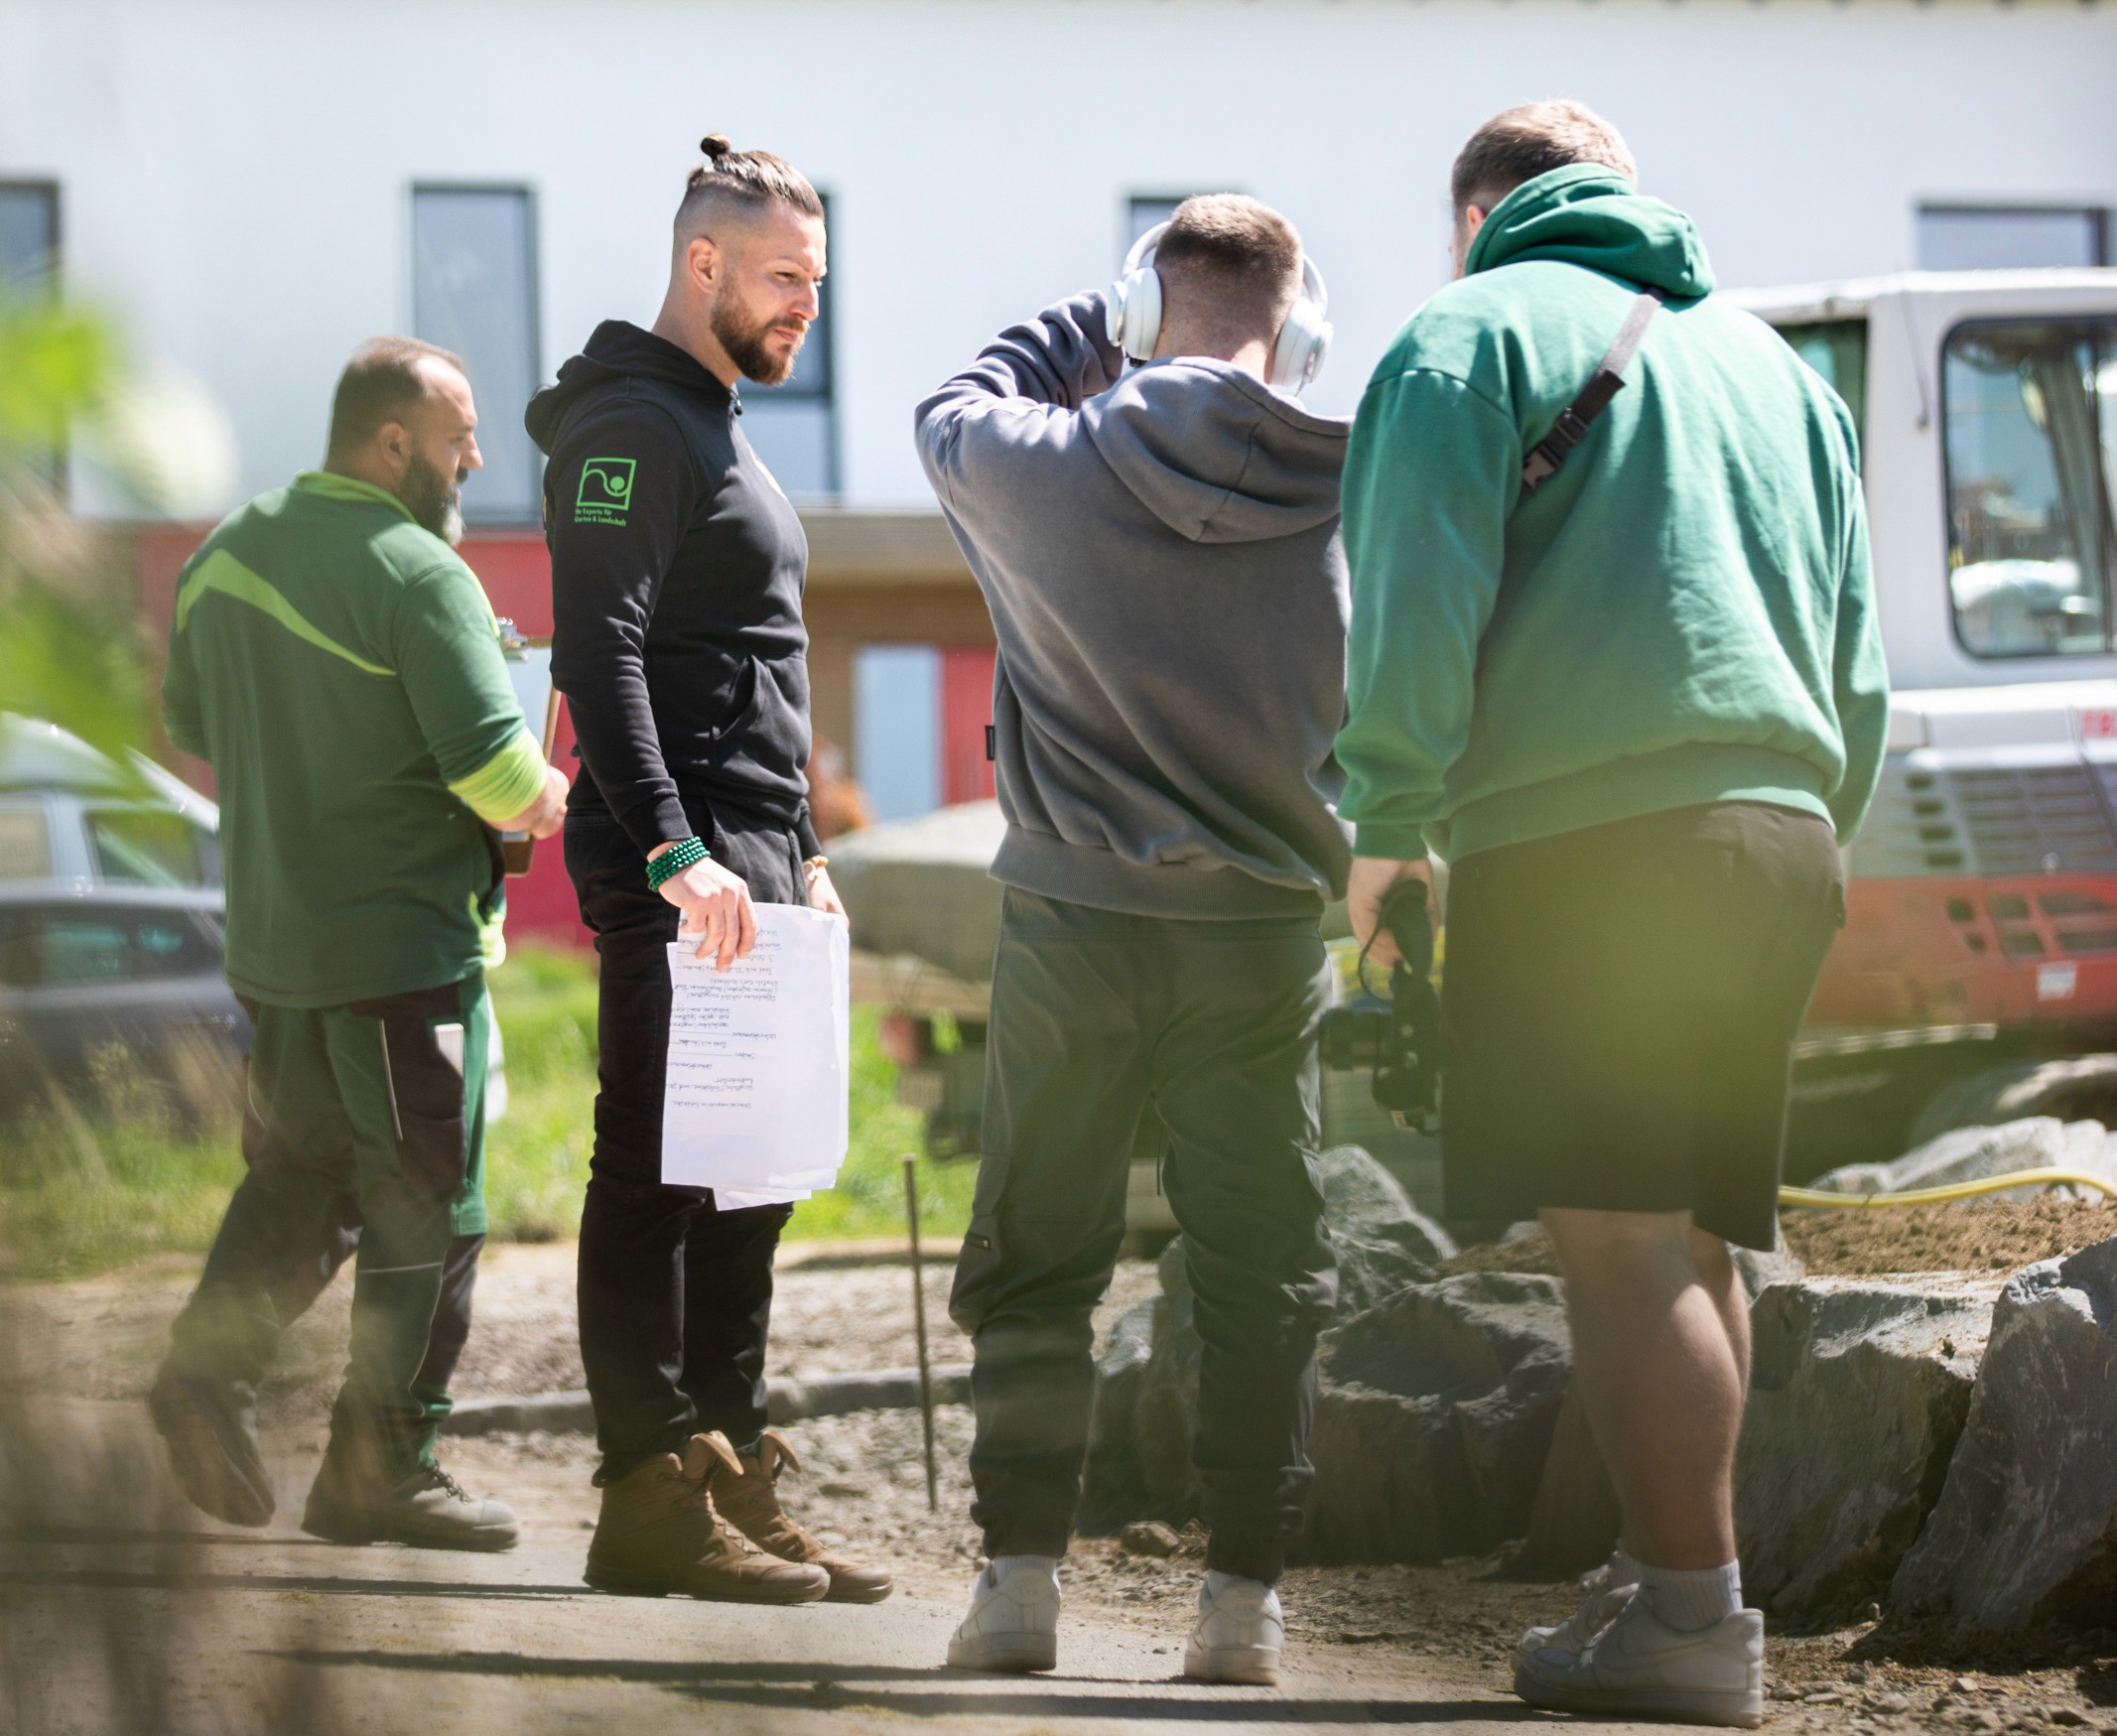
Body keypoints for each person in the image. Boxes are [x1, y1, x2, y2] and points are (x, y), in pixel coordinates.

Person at [1337, 101, 1887, 1728]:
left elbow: (1413, 595)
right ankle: (1669, 1586)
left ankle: (1693, 1626)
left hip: (1592, 845)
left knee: (1616, 1239)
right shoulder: (1777, 372)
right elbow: (1852, 654)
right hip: (1781, 839)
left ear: (1474, 219)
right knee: (1695, 1233)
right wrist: (1802, 825)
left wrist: (1390, 825)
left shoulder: (1466, 335)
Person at [915, 194, 1354, 1686]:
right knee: (1260, 1266)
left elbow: (952, 401)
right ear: (1301, 333)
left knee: (1040, 1251)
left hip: (1072, 921)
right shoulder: (1363, 489)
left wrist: (1090, 334)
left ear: (1139, 317)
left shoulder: (1036, 466)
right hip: (1263, 935)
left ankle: (1018, 1588)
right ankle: (1241, 1609)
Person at [524, 134, 889, 1607]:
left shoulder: (720, 426)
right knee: (657, 1172)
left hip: (760, 864)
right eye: (785, 276)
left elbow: (754, 670)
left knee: (752, 1176)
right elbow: (596, 652)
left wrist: (803, 850)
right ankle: (645, 1495)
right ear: (702, 262)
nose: (807, 303)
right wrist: (676, 849)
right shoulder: (629, 425)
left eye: (819, 280)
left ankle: (726, 1468)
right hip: (679, 862)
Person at [150, 336, 570, 1549]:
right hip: (401, 960)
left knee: (305, 1179)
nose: (474, 460)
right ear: (393, 443)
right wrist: (548, 792)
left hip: (277, 952)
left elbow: (192, 722)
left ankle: (203, 1377)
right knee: (431, 1206)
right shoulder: (420, 573)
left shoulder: (224, 553)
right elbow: (498, 778)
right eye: (460, 439)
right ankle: (382, 1467)